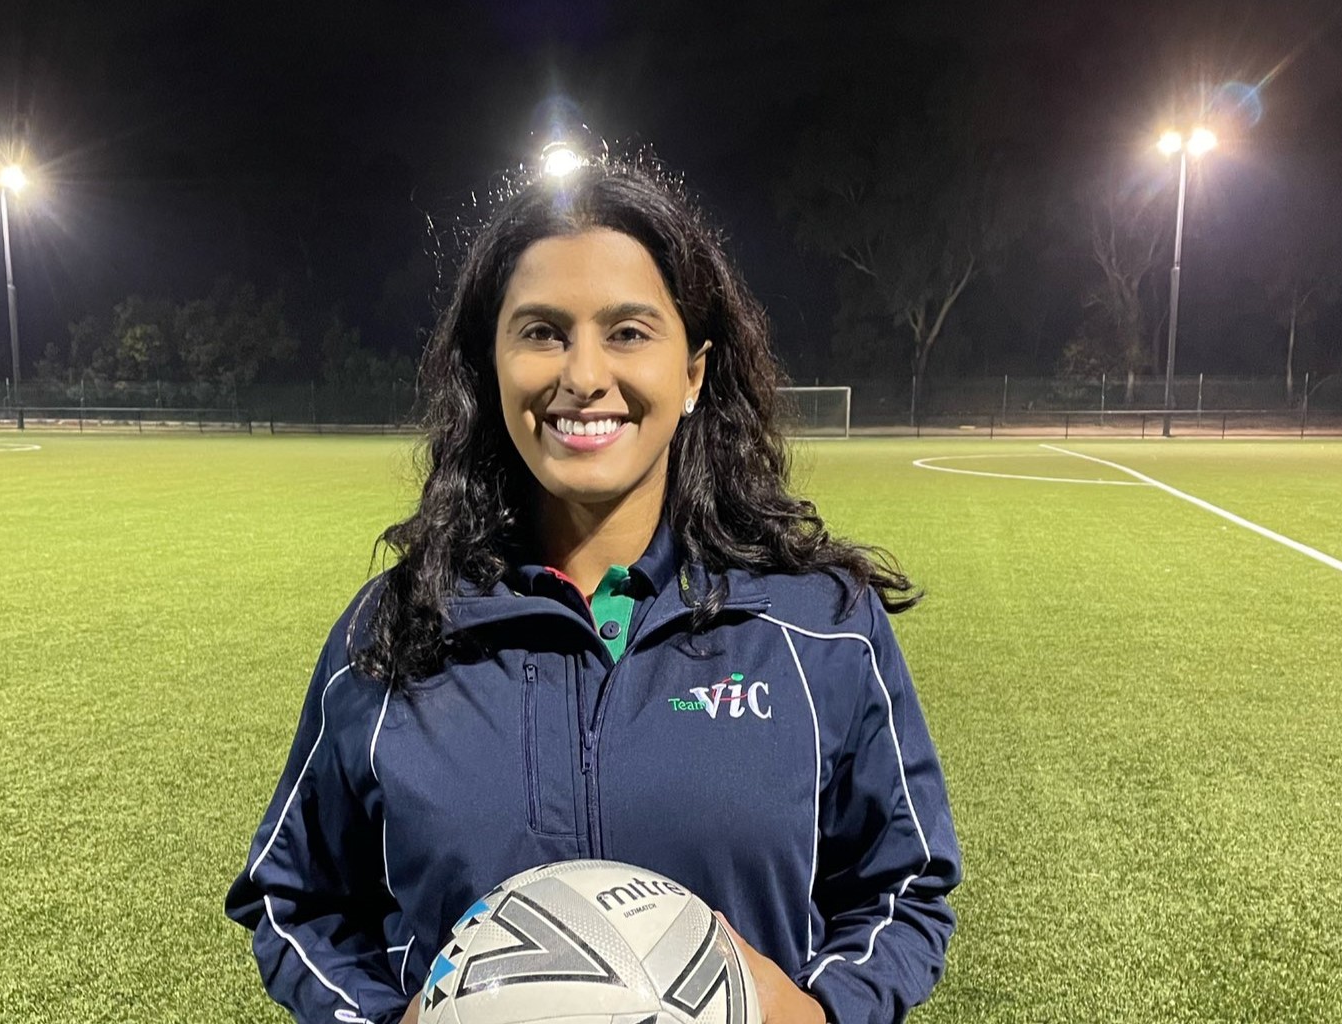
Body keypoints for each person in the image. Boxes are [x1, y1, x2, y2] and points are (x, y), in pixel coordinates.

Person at [224, 157, 961, 1024]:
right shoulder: (395, 633)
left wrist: (822, 1014)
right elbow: (289, 898)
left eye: (629, 331)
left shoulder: (819, 625)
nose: (582, 374)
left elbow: (905, 885)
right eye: (541, 332)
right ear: (489, 366)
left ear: (693, 372)